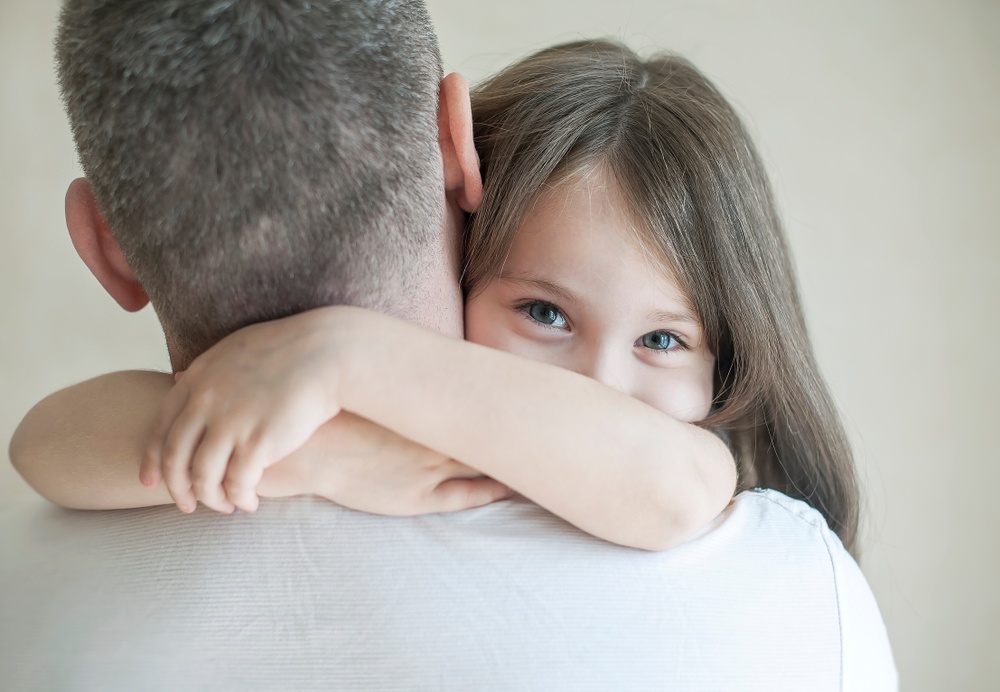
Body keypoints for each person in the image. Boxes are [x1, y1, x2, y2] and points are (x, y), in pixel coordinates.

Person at [3, 1, 896, 689]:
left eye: (663, 339)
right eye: (545, 315)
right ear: (459, 192)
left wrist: (346, 351)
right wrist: (325, 454)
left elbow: (674, 489)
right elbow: (43, 443)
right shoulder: (428, 435)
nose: (596, 381)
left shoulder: (675, 481)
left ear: (725, 373)